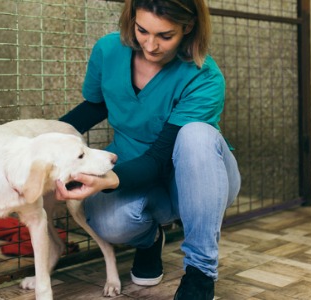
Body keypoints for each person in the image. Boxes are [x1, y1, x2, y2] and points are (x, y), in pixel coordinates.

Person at [55, 0, 241, 299]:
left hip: (195, 176)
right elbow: (96, 105)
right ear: (132, 20)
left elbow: (159, 156)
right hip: (134, 163)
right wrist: (39, 136)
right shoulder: (107, 50)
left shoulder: (204, 76)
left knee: (196, 134)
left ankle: (200, 273)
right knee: (110, 223)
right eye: (142, 30)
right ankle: (149, 239)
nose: (151, 45)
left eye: (165, 36)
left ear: (188, 28)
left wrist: (109, 180)